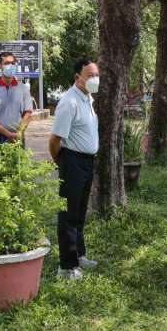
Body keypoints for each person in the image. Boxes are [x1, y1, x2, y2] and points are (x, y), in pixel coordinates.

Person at [49, 59, 101, 280]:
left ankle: (79, 255)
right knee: (69, 214)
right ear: (77, 77)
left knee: (80, 212)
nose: (94, 79)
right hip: (72, 161)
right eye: (90, 75)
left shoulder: (87, 99)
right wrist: (61, 162)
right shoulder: (69, 102)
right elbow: (54, 140)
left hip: (87, 162)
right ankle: (66, 266)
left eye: (96, 75)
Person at [0, 52, 33, 145]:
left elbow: (28, 114)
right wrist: (7, 134)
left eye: (13, 63)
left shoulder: (24, 89)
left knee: (18, 156)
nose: (10, 66)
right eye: (6, 63)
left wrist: (19, 132)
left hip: (17, 136)